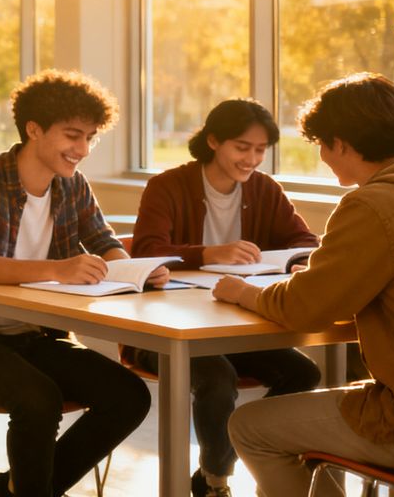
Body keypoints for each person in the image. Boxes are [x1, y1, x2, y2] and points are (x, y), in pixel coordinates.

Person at [0, 69, 162, 497]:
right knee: (38, 400)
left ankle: (15, 491)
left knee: (130, 396)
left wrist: (133, 271)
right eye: (73, 136)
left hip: (36, 335)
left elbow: (104, 241)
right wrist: (58, 269)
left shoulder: (72, 186)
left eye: (90, 137)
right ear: (34, 129)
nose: (82, 150)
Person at [216, 73, 394, 497]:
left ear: (341, 144)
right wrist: (321, 283)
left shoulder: (372, 204)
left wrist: (242, 291)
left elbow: (302, 310)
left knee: (250, 426)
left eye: (321, 146)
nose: (323, 158)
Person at [131, 98, 322, 497]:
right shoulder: (167, 185)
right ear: (214, 140)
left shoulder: (265, 189)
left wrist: (289, 263)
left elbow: (305, 241)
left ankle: (230, 453)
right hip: (167, 329)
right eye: (242, 147)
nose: (251, 159)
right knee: (217, 377)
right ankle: (217, 480)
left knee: (304, 373)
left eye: (259, 150)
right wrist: (207, 253)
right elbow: (146, 250)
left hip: (233, 324)